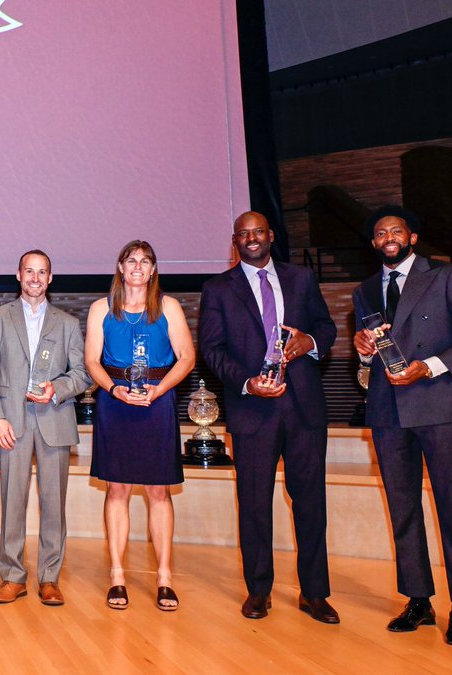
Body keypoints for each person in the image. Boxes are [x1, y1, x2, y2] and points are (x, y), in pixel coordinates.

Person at [352, 206, 452, 646]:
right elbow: (373, 350)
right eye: (380, 233)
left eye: (396, 230)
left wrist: (428, 367)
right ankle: (418, 600)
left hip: (439, 407)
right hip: (387, 413)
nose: (388, 237)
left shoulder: (450, 275)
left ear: (412, 237)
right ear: (374, 243)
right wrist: (360, 350)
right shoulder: (364, 291)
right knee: (403, 510)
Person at [198, 212, 339, 624]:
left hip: (304, 407)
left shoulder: (300, 279)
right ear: (235, 241)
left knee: (311, 502)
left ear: (271, 236)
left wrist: (308, 342)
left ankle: (315, 593)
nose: (251, 239)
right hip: (253, 409)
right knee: (255, 503)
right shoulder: (218, 289)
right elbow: (212, 349)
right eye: (243, 234)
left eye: (258, 231)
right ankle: (259, 590)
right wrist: (247, 383)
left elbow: (326, 328)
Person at [85, 241, 195, 612]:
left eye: (144, 262)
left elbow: (187, 358)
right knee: (117, 489)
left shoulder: (169, 307)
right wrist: (115, 390)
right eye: (131, 260)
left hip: (156, 402)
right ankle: (117, 575)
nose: (137, 266)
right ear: (120, 267)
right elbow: (91, 361)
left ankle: (164, 577)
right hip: (115, 404)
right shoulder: (101, 308)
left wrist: (158, 390)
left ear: (152, 271)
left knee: (158, 492)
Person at [0, 249, 91, 606]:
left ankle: (49, 577)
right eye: (29, 271)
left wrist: (56, 389)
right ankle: (12, 576)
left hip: (53, 420)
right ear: (18, 275)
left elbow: (82, 373)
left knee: (53, 504)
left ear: (50, 278)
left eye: (42, 272)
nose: (35, 278)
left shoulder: (68, 323)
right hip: (11, 422)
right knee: (12, 501)